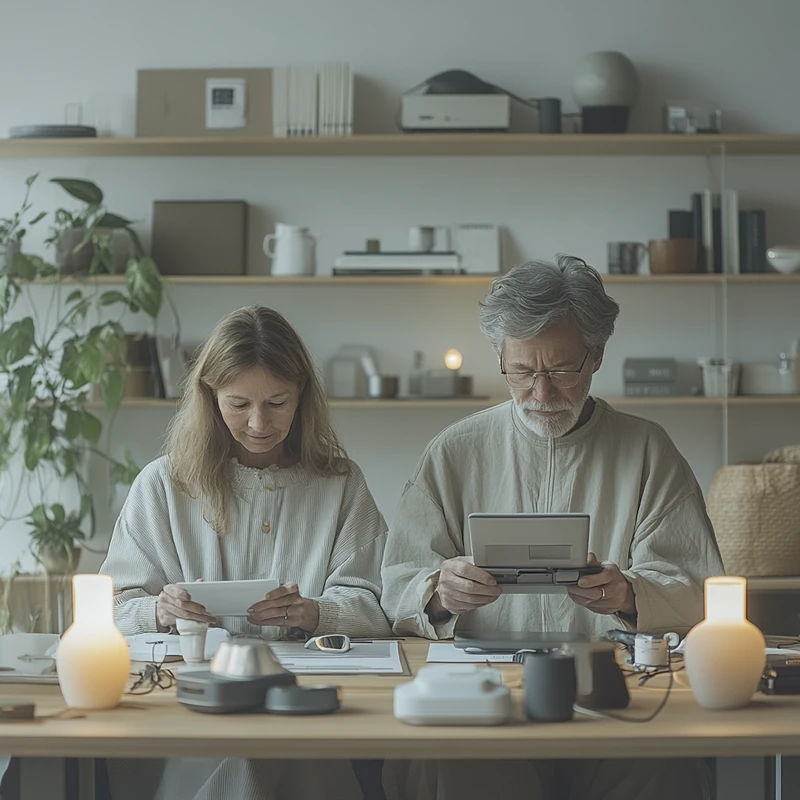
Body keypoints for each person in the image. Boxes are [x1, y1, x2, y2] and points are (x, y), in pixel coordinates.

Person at [380, 256, 723, 800]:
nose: (541, 394)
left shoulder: (647, 450)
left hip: (614, 689)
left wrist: (629, 595)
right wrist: (439, 595)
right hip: (483, 690)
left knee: (662, 768)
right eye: (521, 372)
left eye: (561, 371)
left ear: (597, 356)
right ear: (500, 358)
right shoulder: (454, 450)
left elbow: (697, 588)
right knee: (457, 768)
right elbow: (397, 585)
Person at [100, 305, 391, 800]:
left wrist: (316, 613)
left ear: (302, 396)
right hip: (188, 705)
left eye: (277, 403)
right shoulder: (162, 485)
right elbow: (108, 611)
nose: (259, 423)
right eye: (238, 404)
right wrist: (160, 610)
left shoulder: (340, 483)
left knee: (274, 747)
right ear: (210, 398)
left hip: (301, 705)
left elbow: (380, 607)